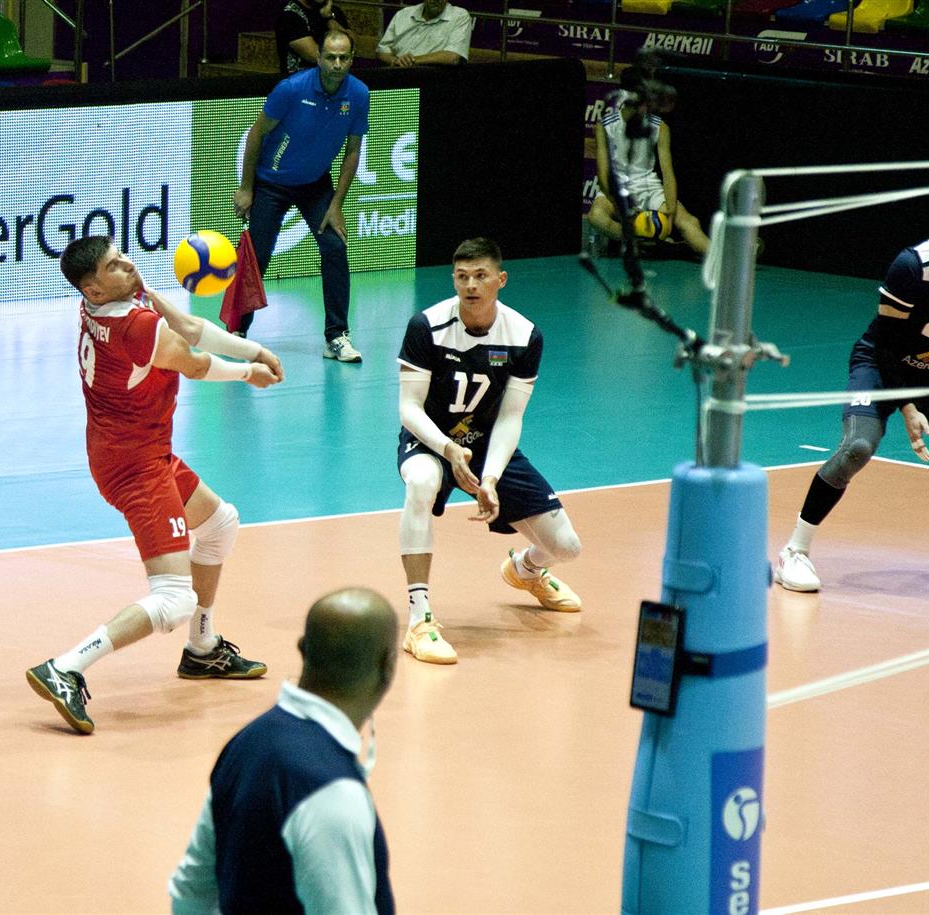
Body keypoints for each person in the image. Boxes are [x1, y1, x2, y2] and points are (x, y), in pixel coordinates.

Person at [25, 235, 285, 735]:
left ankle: (203, 649)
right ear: (94, 289)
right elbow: (194, 361)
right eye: (114, 265)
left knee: (220, 524)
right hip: (135, 465)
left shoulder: (111, 302)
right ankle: (66, 667)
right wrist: (247, 372)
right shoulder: (133, 327)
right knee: (173, 598)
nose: (128, 264)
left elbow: (187, 326)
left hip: (137, 449)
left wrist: (255, 347)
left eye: (122, 255)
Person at [395, 238, 583, 664]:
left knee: (567, 547)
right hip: (431, 438)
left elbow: (510, 417)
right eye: (462, 277)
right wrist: (448, 449)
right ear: (453, 280)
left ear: (501, 279)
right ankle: (419, 620)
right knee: (421, 483)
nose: (471, 285)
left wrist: (492, 477)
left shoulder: (524, 335)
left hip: (484, 443)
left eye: (481, 276)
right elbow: (409, 408)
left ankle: (526, 571)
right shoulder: (426, 326)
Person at [168, 587, 398, 914]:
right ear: (388, 665)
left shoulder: (245, 744)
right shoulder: (334, 793)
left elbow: (190, 894)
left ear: (303, 649)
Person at [775, 192, 929, 592]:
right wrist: (908, 407)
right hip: (879, 366)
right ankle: (794, 551)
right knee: (858, 446)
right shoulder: (913, 265)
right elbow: (887, 346)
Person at [234, 30, 368, 363]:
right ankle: (237, 332)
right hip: (271, 183)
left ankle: (336, 336)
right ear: (318, 58)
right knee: (257, 256)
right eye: (330, 57)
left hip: (315, 184)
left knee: (335, 247)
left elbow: (353, 151)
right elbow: (256, 135)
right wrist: (247, 187)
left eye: (344, 58)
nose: (337, 64)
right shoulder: (291, 89)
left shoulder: (359, 94)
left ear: (352, 59)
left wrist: (336, 204)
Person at [587, 67, 711, 257]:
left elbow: (668, 174)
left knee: (689, 222)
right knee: (596, 217)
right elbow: (604, 176)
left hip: (650, 188)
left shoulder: (659, 127)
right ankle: (645, 241)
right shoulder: (605, 126)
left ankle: (729, 258)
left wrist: (670, 214)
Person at [376, 0, 473, 68]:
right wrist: (395, 61)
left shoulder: (459, 16)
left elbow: (453, 57)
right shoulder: (403, 14)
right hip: (395, 74)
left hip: (431, 79)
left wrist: (412, 61)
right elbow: (382, 50)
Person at [276, 0, 349, 75]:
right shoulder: (290, 15)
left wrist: (329, 19)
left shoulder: (331, 10)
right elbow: (314, 56)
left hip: (334, 76)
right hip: (301, 78)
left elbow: (353, 45)